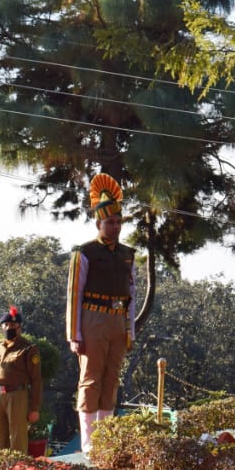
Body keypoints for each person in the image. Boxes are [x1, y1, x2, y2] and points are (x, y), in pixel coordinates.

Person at [66, 173, 136, 453]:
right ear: (98, 223)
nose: (115, 226)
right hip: (92, 318)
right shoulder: (85, 252)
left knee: (111, 379)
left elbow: (132, 295)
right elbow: (74, 294)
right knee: (91, 379)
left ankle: (104, 440)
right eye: (110, 222)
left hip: (118, 319)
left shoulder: (127, 254)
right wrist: (75, 334)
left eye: (118, 222)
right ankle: (88, 444)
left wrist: (129, 329)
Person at [0, 307, 43, 453]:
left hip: (17, 395)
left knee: (17, 437)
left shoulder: (28, 348)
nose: (9, 328)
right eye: (6, 325)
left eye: (13, 325)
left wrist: (34, 408)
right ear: (1, 327)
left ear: (19, 327)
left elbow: (36, 380)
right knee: (0, 436)